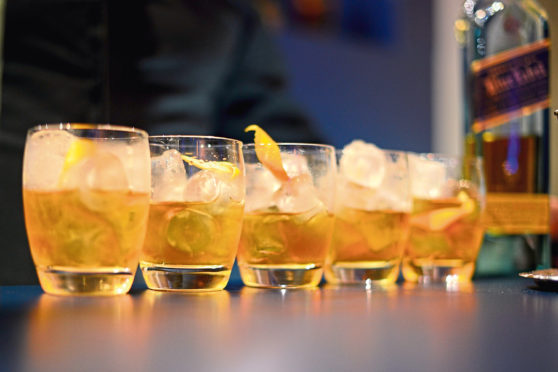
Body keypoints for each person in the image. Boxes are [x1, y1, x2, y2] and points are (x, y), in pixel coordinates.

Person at [0, 0, 322, 284]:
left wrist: (319, 189)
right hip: (23, 249)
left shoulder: (229, 9)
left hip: (179, 259)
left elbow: (266, 117)